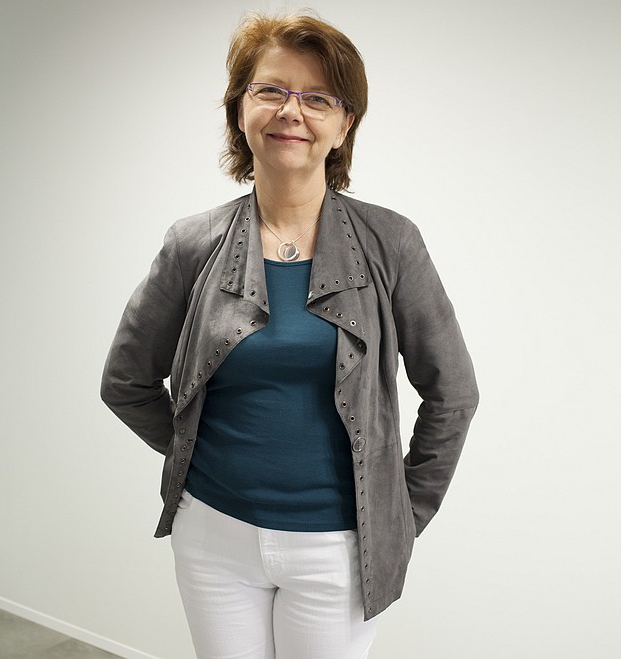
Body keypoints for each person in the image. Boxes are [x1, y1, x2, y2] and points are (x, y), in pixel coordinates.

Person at [101, 11, 479, 659]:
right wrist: (193, 457)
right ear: (239, 109)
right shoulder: (192, 243)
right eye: (271, 90)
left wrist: (402, 513)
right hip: (213, 536)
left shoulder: (392, 242)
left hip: (339, 547)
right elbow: (125, 381)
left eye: (318, 98)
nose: (291, 111)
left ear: (344, 124)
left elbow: (454, 394)